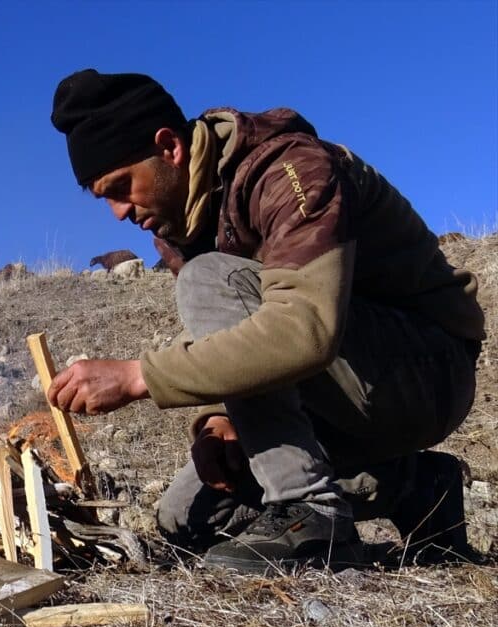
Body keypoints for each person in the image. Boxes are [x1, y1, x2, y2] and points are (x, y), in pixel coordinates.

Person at [47, 69, 485, 572]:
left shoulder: (289, 170)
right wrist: (220, 420)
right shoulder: (180, 223)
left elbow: (304, 332)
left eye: (121, 187)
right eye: (103, 196)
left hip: (426, 370)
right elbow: (227, 330)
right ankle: (414, 486)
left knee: (207, 278)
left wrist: (139, 375)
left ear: (169, 147)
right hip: (345, 385)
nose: (117, 212)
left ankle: (313, 517)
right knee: (186, 519)